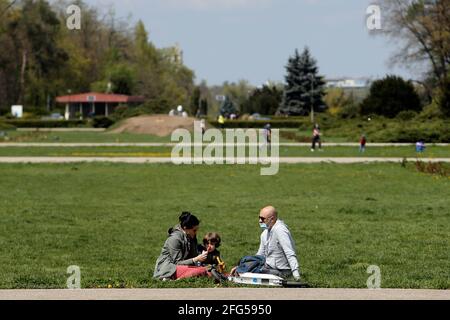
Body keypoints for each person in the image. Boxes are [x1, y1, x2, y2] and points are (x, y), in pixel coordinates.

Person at [231, 206, 301, 281]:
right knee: (246, 260)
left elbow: (290, 252)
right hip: (267, 267)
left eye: (262, 218)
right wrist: (242, 266)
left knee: (254, 271)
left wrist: (296, 275)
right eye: (259, 218)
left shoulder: (280, 230)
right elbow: (260, 255)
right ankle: (237, 272)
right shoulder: (265, 233)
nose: (260, 221)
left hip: (282, 271)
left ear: (272, 219)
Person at [153, 212, 209, 281]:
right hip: (169, 268)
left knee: (208, 270)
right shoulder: (175, 238)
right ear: (185, 228)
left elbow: (192, 257)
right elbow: (177, 263)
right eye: (194, 230)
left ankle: (224, 277)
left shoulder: (190, 236)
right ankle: (174, 281)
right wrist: (196, 259)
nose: (196, 232)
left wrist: (202, 255)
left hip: (182, 267)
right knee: (201, 271)